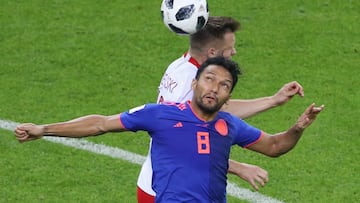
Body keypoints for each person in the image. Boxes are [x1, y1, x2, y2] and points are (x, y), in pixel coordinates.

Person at [14, 57, 324, 203]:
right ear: (194, 83)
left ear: (229, 96)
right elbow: (100, 124)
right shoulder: (159, 115)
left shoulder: (229, 125)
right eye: (209, 79)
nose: (215, 88)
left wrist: (297, 127)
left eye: (224, 85)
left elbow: (273, 146)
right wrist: (44, 129)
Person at [137, 16, 305, 202]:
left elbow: (220, 110)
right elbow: (187, 146)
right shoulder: (188, 86)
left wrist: (272, 100)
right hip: (168, 188)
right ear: (212, 52)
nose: (234, 52)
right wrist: (239, 167)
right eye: (228, 49)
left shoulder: (182, 66)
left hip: (155, 179)